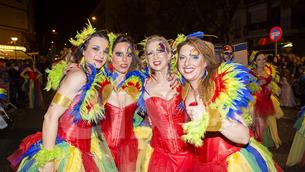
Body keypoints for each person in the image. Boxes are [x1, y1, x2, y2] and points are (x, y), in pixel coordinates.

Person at [8, 22, 117, 172]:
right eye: (95, 48)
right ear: (83, 50)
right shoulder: (79, 76)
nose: (101, 55)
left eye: (105, 51)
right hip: (69, 151)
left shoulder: (91, 74)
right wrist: (48, 160)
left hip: (86, 146)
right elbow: (50, 116)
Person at [176, 36, 282, 171]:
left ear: (205, 62)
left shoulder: (218, 88)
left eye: (194, 57)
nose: (186, 63)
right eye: (182, 57)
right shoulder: (184, 89)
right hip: (197, 161)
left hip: (227, 162)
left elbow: (244, 136)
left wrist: (210, 118)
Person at [142, 35, 193, 172]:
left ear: (169, 54)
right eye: (150, 53)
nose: (155, 57)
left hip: (190, 155)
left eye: (160, 51)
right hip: (161, 160)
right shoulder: (142, 85)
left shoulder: (186, 80)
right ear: (146, 59)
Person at [99, 34, 144, 172]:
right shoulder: (97, 81)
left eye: (129, 54)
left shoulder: (141, 83)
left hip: (128, 149)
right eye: (119, 54)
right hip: (102, 148)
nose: (125, 60)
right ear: (110, 56)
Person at [249, 51, 283, 148]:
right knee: (258, 121)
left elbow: (273, 84)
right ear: (255, 61)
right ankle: (258, 142)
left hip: (267, 99)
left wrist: (271, 87)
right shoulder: (252, 72)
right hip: (256, 100)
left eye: (263, 59)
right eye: (259, 59)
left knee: (270, 121)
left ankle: (269, 140)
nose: (262, 61)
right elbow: (248, 87)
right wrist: (256, 85)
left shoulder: (269, 70)